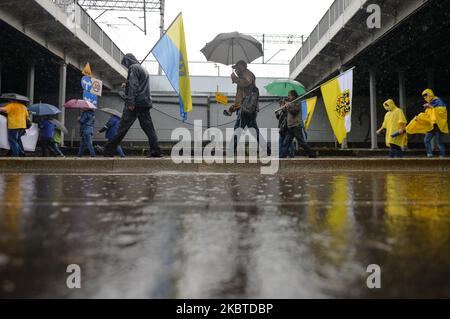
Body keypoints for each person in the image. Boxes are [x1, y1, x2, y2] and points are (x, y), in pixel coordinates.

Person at [104, 53, 162, 158]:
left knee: (122, 127)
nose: (126, 67)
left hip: (135, 103)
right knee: (149, 128)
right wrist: (127, 85)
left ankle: (108, 150)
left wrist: (130, 102)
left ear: (128, 61)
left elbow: (134, 85)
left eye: (125, 64)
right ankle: (156, 150)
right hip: (145, 103)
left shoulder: (133, 68)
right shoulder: (142, 69)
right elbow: (139, 85)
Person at [282, 90, 316, 158]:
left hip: (296, 125)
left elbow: (294, 111)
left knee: (301, 142)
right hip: (290, 126)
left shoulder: (297, 102)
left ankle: (311, 154)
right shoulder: (291, 103)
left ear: (293, 96)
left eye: (289, 95)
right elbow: (288, 113)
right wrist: (284, 109)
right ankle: (282, 155)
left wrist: (288, 106)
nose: (288, 97)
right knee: (287, 142)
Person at [422, 89, 448, 158]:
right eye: (424, 97)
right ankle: (429, 155)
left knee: (439, 143)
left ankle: (442, 157)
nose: (425, 98)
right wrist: (418, 118)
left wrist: (431, 107)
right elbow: (427, 115)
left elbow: (442, 112)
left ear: (430, 94)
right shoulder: (429, 104)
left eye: (426, 96)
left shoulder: (438, 101)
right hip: (431, 126)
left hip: (438, 126)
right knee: (426, 140)